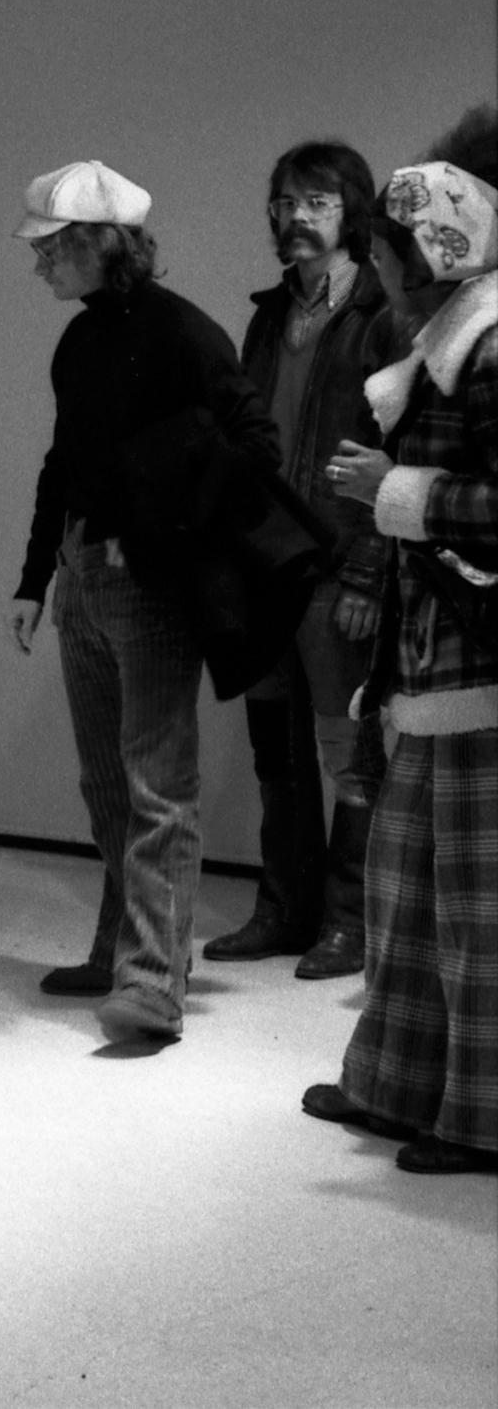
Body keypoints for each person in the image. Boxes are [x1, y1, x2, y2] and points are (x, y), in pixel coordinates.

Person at [3, 160, 284, 1045]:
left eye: (51, 249)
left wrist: (171, 522)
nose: (41, 266)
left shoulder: (183, 334)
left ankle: (154, 982)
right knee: (108, 784)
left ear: (96, 244)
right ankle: (123, 950)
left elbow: (255, 446)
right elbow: (62, 463)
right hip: (87, 576)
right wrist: (33, 577)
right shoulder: (80, 340)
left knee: (158, 784)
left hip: (149, 584)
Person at [305, 111, 498, 1176]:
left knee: (477, 908)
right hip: (439, 662)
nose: (375, 269)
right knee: (408, 889)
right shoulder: (448, 344)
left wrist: (398, 492)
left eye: (385, 249)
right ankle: (398, 1083)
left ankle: (479, 1115)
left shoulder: (491, 346)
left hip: (482, 664)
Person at [205, 142, 395, 980]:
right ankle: (284, 911)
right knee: (274, 748)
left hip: (335, 564)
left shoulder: (383, 317)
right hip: (266, 564)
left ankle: (348, 924)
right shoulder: (267, 315)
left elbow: (400, 448)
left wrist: (365, 571)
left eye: (314, 202)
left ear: (350, 211)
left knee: (345, 751)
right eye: (283, 202)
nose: (294, 218)